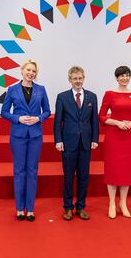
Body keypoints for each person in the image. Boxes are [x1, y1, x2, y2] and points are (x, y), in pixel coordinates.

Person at [1, 59, 51, 222]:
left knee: (32, 171)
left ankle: (30, 209)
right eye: (28, 70)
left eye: (34, 71)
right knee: (19, 171)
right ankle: (19, 208)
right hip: (18, 135)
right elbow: (4, 112)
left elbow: (48, 111)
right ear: (22, 71)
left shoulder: (41, 89)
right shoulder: (12, 89)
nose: (31, 73)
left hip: (36, 135)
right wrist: (18, 118)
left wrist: (38, 118)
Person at [54, 66, 99, 221]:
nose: (78, 81)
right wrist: (58, 140)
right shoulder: (62, 97)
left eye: (80, 78)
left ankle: (81, 207)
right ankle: (68, 207)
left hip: (86, 143)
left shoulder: (92, 97)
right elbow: (57, 121)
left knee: (84, 176)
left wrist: (94, 139)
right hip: (68, 143)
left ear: (83, 79)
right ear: (70, 80)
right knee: (68, 176)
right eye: (75, 78)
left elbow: (94, 121)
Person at [99, 66, 131, 219]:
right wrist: (117, 123)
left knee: (126, 170)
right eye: (122, 76)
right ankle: (112, 202)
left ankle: (123, 203)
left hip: (129, 136)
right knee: (112, 169)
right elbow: (102, 116)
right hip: (114, 136)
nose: (125, 78)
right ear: (116, 78)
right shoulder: (109, 94)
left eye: (127, 75)